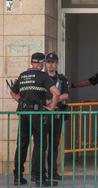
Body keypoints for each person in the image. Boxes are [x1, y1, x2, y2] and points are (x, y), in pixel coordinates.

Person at [10, 52, 60, 187]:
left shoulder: (23, 75)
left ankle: (18, 177)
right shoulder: (42, 76)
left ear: (32, 62)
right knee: (40, 144)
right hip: (37, 114)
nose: (43, 65)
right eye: (43, 63)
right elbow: (56, 93)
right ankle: (40, 179)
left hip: (24, 114)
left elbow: (13, 92)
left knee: (22, 145)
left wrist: (21, 102)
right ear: (41, 63)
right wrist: (52, 108)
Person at [45, 52, 69, 180]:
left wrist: (53, 101)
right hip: (43, 114)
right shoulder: (41, 77)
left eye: (53, 62)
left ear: (57, 63)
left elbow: (66, 95)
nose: (50, 64)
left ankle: (53, 172)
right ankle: (40, 172)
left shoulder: (61, 78)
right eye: (48, 62)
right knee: (41, 145)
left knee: (54, 144)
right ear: (45, 63)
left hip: (57, 114)